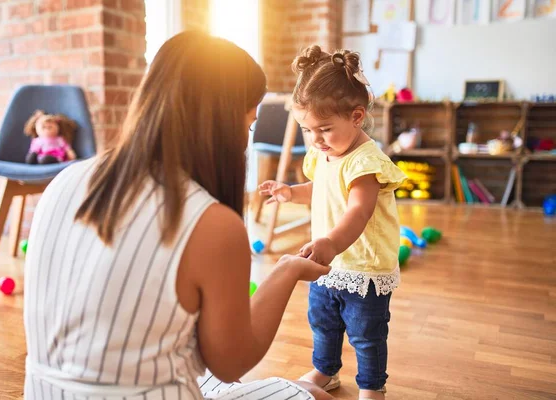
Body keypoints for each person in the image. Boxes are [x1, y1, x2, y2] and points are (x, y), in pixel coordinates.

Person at [23, 31, 332, 400]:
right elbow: (231, 362)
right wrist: (287, 270)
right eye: (248, 125)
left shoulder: (66, 178)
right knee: (315, 396)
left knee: (299, 385)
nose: (245, 139)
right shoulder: (210, 222)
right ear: (219, 119)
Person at [259, 46, 407, 400]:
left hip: (364, 267)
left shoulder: (365, 162)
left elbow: (358, 211)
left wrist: (330, 243)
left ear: (357, 117)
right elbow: (322, 189)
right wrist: (290, 192)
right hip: (328, 265)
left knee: (366, 334)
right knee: (323, 322)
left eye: (324, 129)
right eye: (308, 131)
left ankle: (372, 386)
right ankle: (325, 371)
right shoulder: (323, 153)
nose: (316, 140)